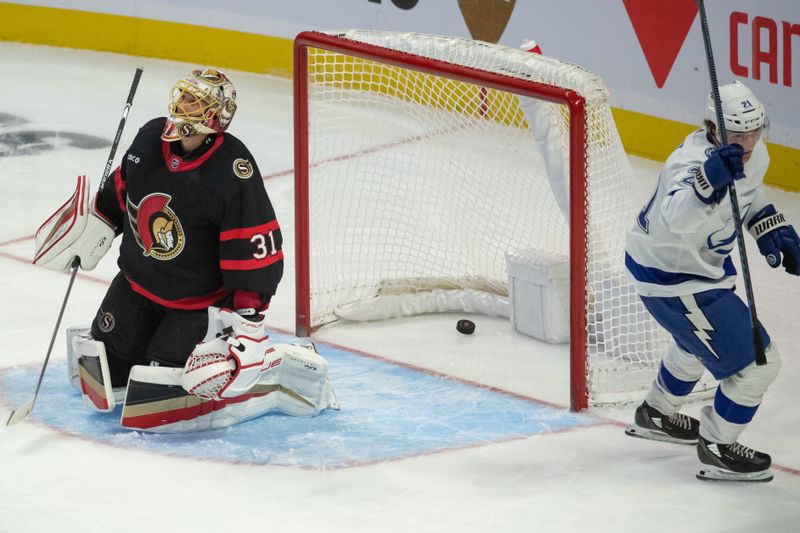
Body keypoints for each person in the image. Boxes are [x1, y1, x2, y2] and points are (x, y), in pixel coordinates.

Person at [35, 68, 285, 401]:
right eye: (182, 96)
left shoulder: (233, 169)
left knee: (159, 381)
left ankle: (250, 357)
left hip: (196, 305)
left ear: (216, 116)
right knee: (107, 367)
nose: (182, 104)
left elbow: (251, 246)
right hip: (135, 287)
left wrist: (248, 319)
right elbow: (123, 188)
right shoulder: (150, 138)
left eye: (194, 101)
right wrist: (100, 223)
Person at [623, 81, 800, 482]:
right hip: (672, 276)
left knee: (695, 342)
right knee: (759, 365)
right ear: (714, 128)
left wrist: (770, 228)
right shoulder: (689, 163)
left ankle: (656, 413)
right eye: (739, 134)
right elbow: (678, 219)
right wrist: (709, 180)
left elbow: (748, 195)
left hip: (695, 270)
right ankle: (718, 445)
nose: (750, 141)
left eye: (757, 130)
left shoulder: (756, 153)